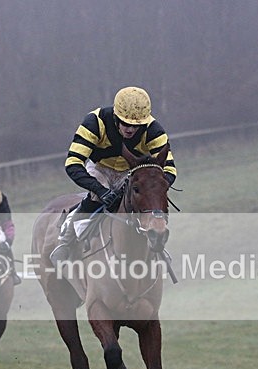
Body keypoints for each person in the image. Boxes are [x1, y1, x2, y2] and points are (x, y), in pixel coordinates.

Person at [49, 86, 177, 264]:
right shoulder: (95, 122)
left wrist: (156, 189)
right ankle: (67, 239)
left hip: (130, 171)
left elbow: (170, 170)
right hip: (100, 168)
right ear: (116, 117)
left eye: (136, 126)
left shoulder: (153, 130)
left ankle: (156, 245)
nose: (130, 129)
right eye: (126, 123)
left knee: (142, 198)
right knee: (97, 196)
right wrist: (100, 190)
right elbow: (73, 163)